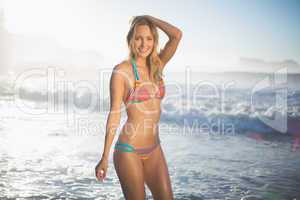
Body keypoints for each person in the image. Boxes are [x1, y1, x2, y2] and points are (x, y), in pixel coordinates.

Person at [95, 15, 182, 200]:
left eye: (149, 38)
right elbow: (114, 114)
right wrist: (104, 157)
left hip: (154, 149)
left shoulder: (157, 65)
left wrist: (148, 19)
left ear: (155, 41)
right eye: (138, 38)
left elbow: (176, 35)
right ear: (130, 40)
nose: (144, 44)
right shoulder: (122, 71)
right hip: (129, 151)